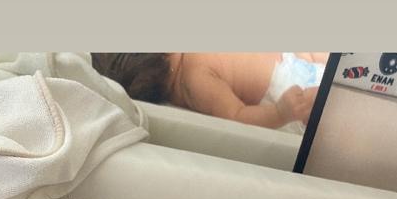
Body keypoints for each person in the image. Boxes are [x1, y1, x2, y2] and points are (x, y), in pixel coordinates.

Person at [91, 52, 329, 130]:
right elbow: (237, 116)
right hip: (292, 86)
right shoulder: (194, 80)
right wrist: (280, 112)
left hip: (292, 58)